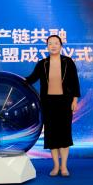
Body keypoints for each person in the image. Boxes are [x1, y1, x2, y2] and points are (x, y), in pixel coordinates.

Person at [25, 34, 81, 177]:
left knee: (64, 135)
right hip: (48, 104)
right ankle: (56, 166)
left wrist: (74, 101)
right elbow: (31, 79)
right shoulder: (42, 64)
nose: (53, 46)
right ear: (47, 47)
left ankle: (64, 167)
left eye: (56, 43)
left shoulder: (68, 62)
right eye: (50, 43)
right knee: (52, 136)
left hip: (65, 103)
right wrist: (17, 79)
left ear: (61, 46)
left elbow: (74, 82)